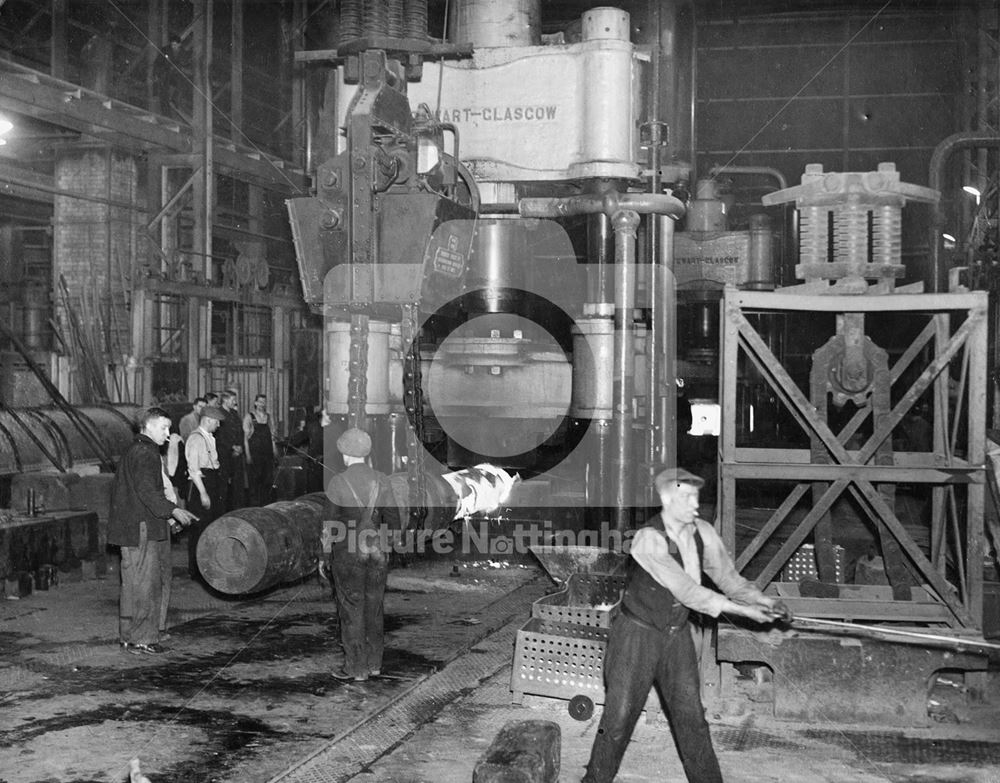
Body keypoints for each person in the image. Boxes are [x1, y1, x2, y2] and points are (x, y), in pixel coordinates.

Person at [582, 467, 791, 783]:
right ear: (667, 500)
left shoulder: (703, 532)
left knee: (692, 718)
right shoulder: (647, 539)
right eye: (687, 498)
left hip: (675, 636)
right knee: (618, 720)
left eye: (696, 497)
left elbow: (729, 579)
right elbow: (689, 591)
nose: (695, 505)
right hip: (635, 637)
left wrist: (762, 602)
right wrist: (744, 613)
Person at [107, 408, 198, 655]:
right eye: (164, 428)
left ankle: (128, 635)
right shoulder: (147, 453)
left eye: (169, 428)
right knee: (147, 584)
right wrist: (174, 511)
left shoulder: (132, 449)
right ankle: (145, 639)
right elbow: (148, 492)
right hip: (142, 528)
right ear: (147, 427)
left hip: (130, 528)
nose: (168, 435)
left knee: (132, 584)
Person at [326, 427, 400, 682]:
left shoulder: (338, 482)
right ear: (367, 454)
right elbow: (394, 520)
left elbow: (330, 525)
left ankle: (356, 669)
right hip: (376, 551)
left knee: (351, 609)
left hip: (348, 553)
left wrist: (324, 556)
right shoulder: (382, 480)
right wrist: (386, 544)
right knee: (374, 607)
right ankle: (375, 663)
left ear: (345, 455)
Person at [185, 406, 226, 580]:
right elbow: (193, 470)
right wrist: (203, 494)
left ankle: (207, 566)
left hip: (211, 481)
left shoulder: (209, 437)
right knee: (199, 528)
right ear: (208, 420)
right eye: (216, 422)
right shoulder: (196, 439)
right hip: (200, 485)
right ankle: (196, 570)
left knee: (210, 526)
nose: (218, 425)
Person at [244, 394, 277, 506]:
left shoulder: (269, 417)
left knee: (267, 482)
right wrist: (248, 455)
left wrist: (274, 450)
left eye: (264, 402)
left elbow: (272, 436)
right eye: (260, 402)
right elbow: (245, 438)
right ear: (255, 403)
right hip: (255, 455)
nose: (262, 404)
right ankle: (254, 508)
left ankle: (265, 507)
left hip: (267, 455)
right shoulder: (249, 417)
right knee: (254, 483)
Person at [215, 390, 246, 512]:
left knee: (238, 484)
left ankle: (238, 510)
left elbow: (240, 432)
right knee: (223, 485)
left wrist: (240, 447)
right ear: (225, 400)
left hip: (237, 454)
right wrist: (232, 447)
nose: (235, 402)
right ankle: (222, 511)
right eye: (233, 400)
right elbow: (219, 435)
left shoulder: (234, 413)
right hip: (224, 454)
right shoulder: (218, 413)